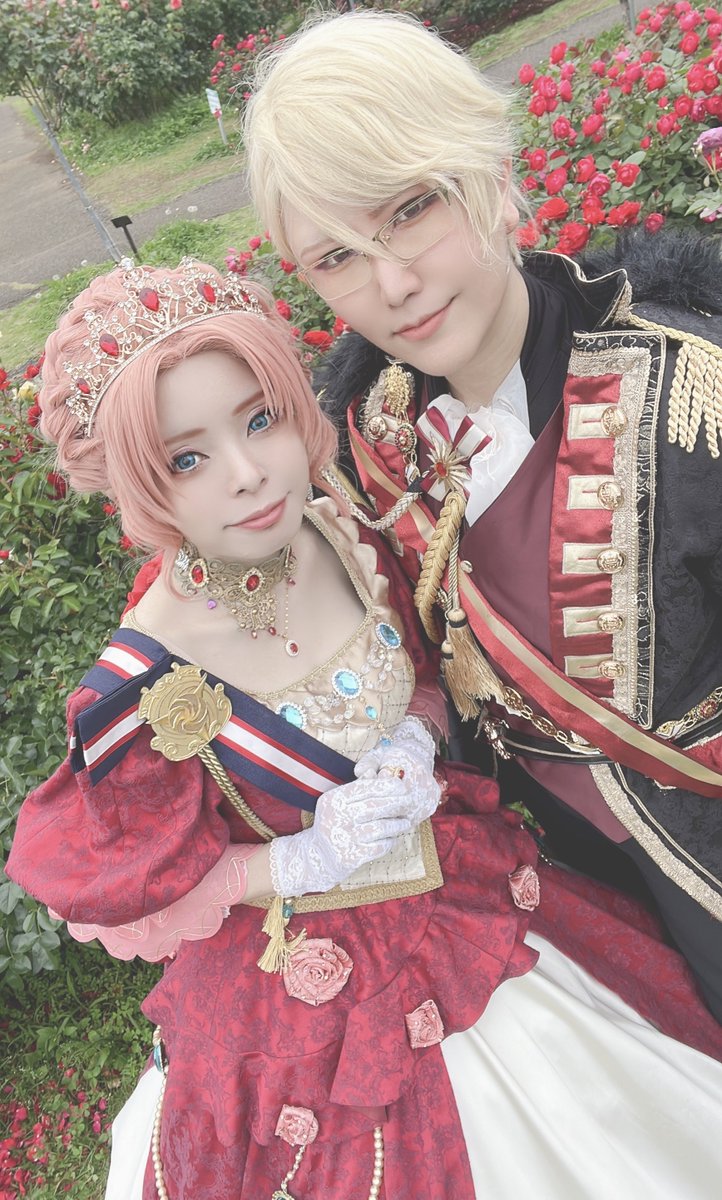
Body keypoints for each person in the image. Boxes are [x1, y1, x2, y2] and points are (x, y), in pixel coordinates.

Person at [6, 257, 722, 1200]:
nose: (249, 473)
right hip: (307, 1001)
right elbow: (124, 887)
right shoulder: (140, 684)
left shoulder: (339, 526)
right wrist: (297, 861)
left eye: (260, 419)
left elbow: (422, 666)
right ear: (135, 482)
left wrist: (417, 733)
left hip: (475, 903)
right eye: (187, 459)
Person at [243, 9, 722, 1021]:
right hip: (557, 908)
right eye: (336, 258)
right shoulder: (367, 450)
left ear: (491, 173)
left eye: (410, 209)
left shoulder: (692, 390)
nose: (392, 285)